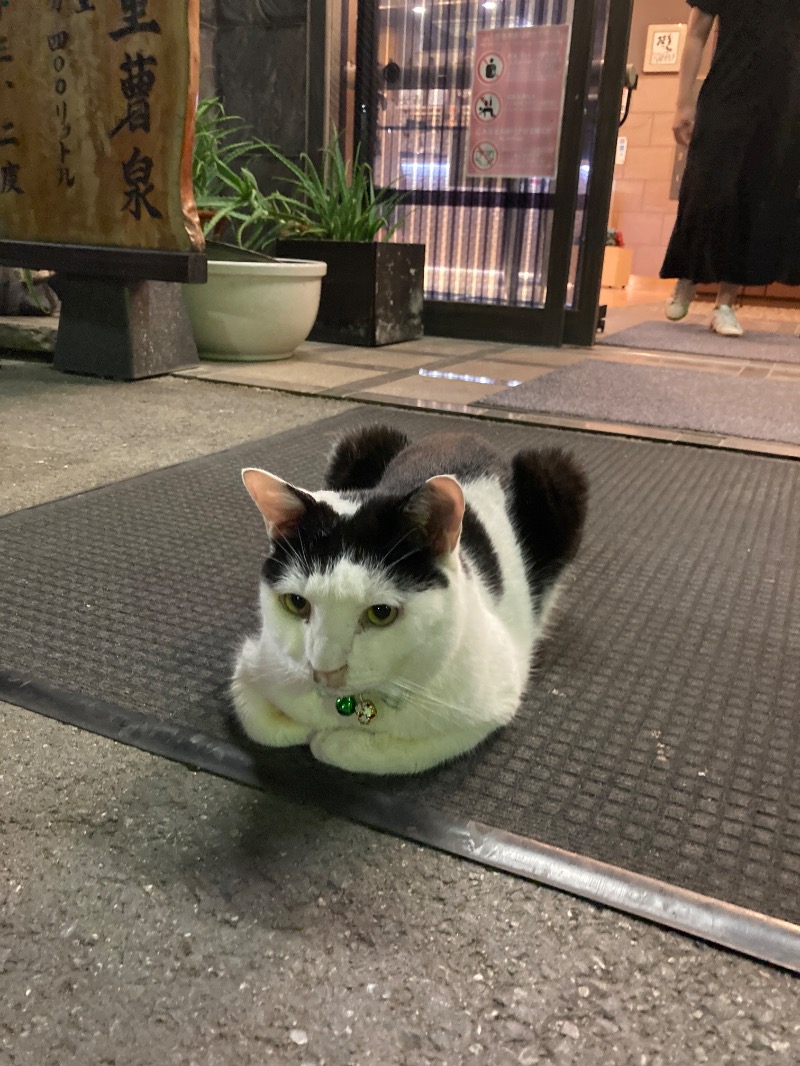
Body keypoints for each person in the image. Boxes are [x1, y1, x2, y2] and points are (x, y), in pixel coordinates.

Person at [661, 0, 800, 337]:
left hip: (782, 103)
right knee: (706, 186)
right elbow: (696, 33)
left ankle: (725, 303)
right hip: (727, 90)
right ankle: (687, 277)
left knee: (756, 196)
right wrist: (683, 103)